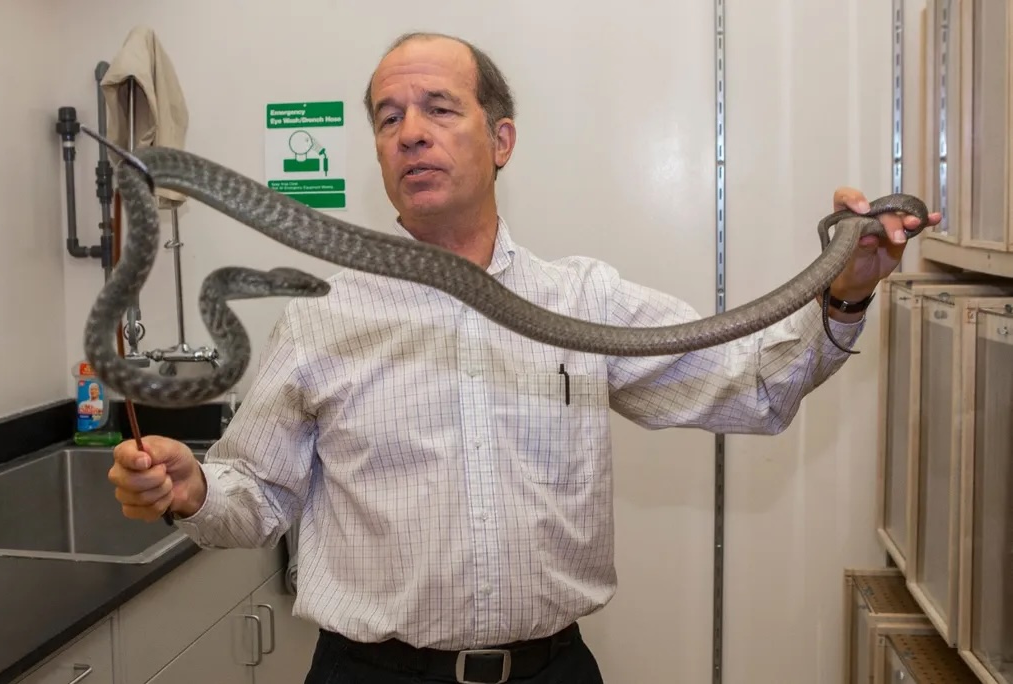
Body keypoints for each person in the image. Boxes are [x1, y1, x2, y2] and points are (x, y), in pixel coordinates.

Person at [107, 31, 941, 684]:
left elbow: (755, 388)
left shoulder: (584, 301)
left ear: (500, 138)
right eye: (390, 118)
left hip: (552, 674)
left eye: (439, 107)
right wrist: (195, 489)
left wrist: (846, 288)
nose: (411, 134)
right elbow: (257, 496)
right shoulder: (324, 314)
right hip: (370, 677)